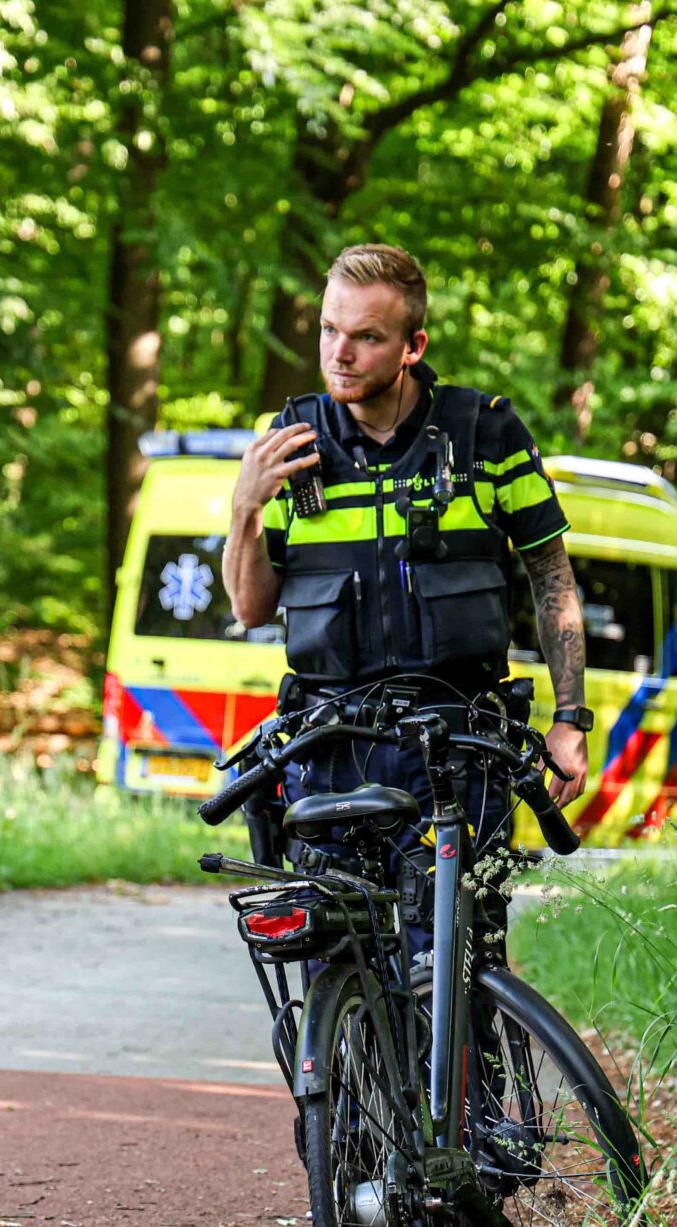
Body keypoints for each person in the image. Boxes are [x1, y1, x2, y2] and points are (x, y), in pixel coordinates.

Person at [220, 242, 594, 903]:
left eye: (366, 337)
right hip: (329, 745)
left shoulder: (488, 433)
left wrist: (570, 719)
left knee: (456, 951)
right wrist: (245, 507)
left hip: (457, 747)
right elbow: (251, 608)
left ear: (412, 345)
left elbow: (552, 576)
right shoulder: (291, 439)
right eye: (330, 329)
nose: (340, 352)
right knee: (335, 958)